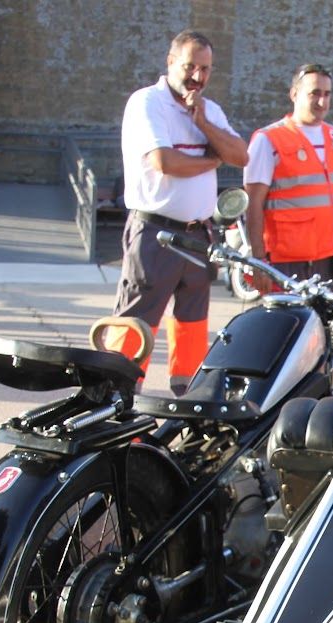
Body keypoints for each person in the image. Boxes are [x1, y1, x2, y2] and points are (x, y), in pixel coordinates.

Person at [109, 30, 248, 396]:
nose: (197, 77)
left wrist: (202, 123)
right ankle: (115, 396)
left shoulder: (210, 110)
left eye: (206, 69)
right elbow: (164, 161)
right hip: (156, 233)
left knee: (192, 325)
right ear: (170, 62)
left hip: (198, 235)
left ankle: (186, 397)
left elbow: (240, 155)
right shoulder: (147, 103)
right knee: (136, 323)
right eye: (190, 67)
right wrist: (210, 159)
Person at [244, 63, 333, 292]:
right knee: (294, 326)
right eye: (314, 93)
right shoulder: (269, 139)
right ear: (294, 94)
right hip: (290, 261)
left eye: (327, 94)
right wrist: (258, 260)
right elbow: (253, 204)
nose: (322, 102)